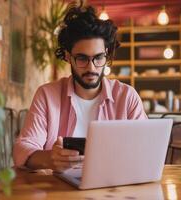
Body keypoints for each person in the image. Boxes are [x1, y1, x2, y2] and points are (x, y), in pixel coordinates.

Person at [13, 4, 147, 172]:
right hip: (60, 193)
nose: (91, 68)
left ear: (106, 54)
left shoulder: (127, 97)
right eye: (82, 59)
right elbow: (22, 149)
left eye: (98, 58)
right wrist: (50, 159)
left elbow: (145, 150)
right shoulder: (47, 95)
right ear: (68, 57)